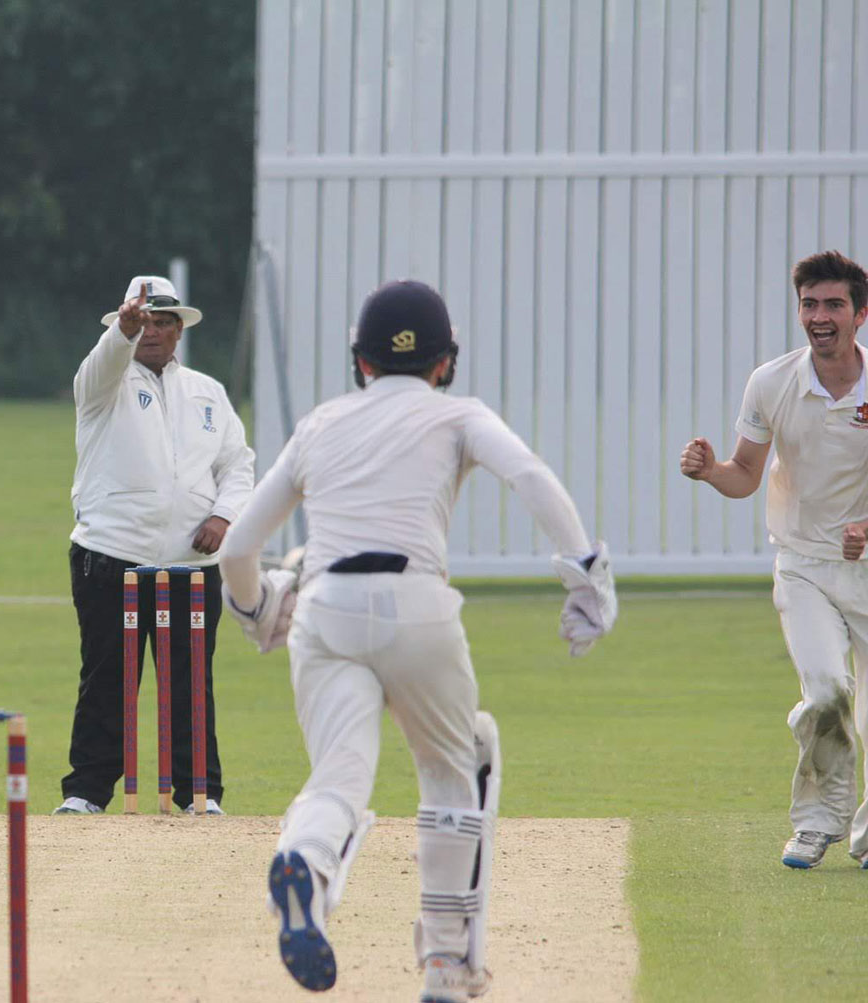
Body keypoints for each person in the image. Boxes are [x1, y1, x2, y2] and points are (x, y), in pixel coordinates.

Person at [217, 279, 616, 1001]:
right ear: (445, 361)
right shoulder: (459, 413)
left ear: (359, 362)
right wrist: (584, 573)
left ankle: (304, 865)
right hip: (418, 606)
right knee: (457, 768)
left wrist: (256, 611)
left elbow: (238, 546)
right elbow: (529, 474)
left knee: (338, 776)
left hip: (325, 605)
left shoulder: (320, 423)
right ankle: (444, 963)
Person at [681, 249, 868, 871]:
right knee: (824, 693)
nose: (819, 315)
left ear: (859, 315)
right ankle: (817, 823)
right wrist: (711, 472)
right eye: (810, 304)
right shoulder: (771, 382)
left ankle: (865, 835)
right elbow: (745, 476)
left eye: (833, 304)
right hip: (805, 564)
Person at [56, 275, 255, 816]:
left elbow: (237, 464)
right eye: (143, 322)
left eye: (163, 322)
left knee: (190, 681)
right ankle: (87, 792)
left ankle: (199, 793)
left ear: (178, 330)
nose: (153, 331)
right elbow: (100, 366)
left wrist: (223, 513)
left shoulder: (207, 392)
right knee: (107, 675)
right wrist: (122, 327)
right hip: (111, 554)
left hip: (192, 563)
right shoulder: (105, 383)